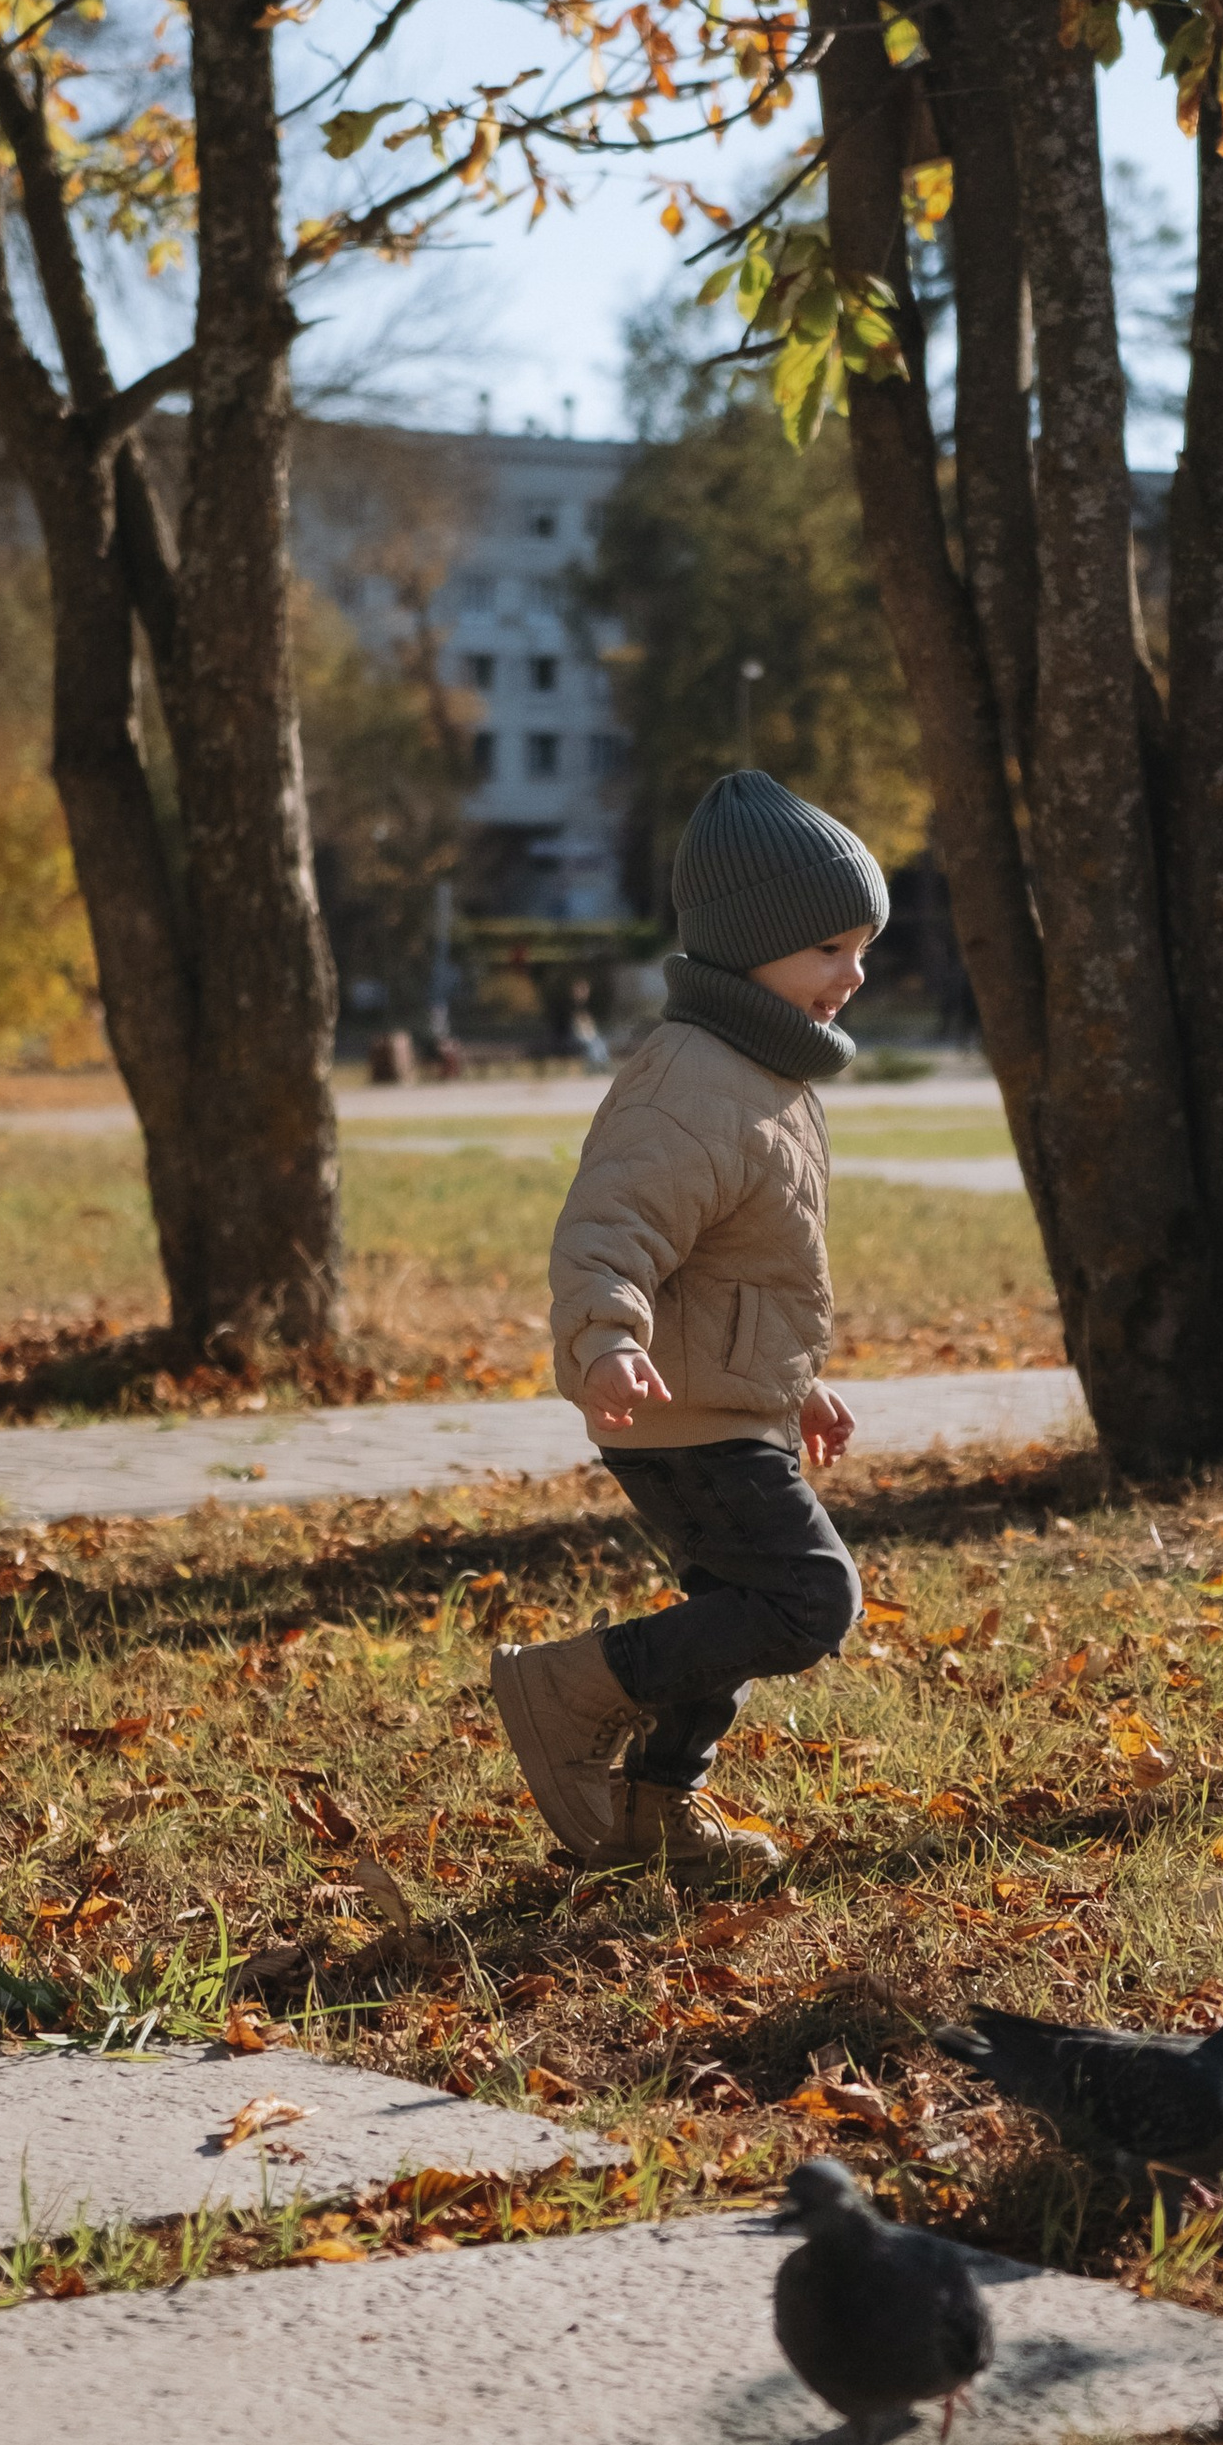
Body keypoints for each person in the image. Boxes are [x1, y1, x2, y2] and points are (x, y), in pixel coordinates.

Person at [490, 770, 886, 1883]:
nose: (852, 976)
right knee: (806, 1598)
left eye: (861, 949)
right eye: (826, 950)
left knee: (734, 1606)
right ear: (746, 946)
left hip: (721, 1407)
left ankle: (657, 1806)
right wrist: (606, 1337)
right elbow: (608, 1228)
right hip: (672, 1417)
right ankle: (569, 1686)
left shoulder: (762, 1073)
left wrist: (790, 1379)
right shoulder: (689, 1083)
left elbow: (739, 1257)